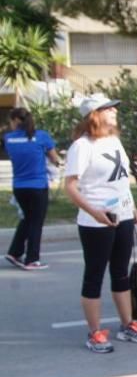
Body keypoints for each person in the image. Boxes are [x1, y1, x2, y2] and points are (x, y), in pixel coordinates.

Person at [64, 94, 137, 353]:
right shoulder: (82, 146)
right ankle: (94, 332)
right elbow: (71, 186)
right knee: (94, 275)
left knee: (121, 272)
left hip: (122, 215)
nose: (114, 111)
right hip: (96, 221)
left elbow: (121, 179)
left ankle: (127, 324)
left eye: (114, 107)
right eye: (108, 108)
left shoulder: (114, 141)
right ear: (95, 114)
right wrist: (93, 211)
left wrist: (131, 205)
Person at [3, 107, 59, 270]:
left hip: (19, 187)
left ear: (15, 121)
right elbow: (54, 158)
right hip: (38, 186)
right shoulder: (42, 137)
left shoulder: (8, 139)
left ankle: (14, 252)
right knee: (36, 222)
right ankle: (32, 259)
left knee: (27, 219)